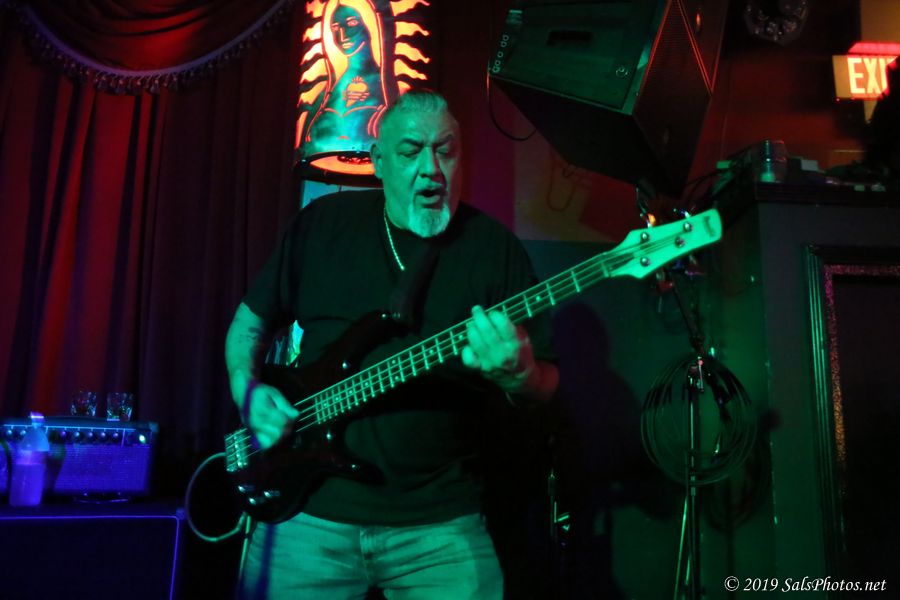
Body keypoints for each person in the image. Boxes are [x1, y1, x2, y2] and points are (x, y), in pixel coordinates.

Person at [226, 89, 559, 599]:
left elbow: (546, 384)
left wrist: (521, 376)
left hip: (441, 525)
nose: (432, 169)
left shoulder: (495, 250)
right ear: (379, 161)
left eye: (445, 151)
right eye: (411, 151)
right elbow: (248, 325)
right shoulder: (324, 225)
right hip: (307, 514)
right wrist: (247, 391)